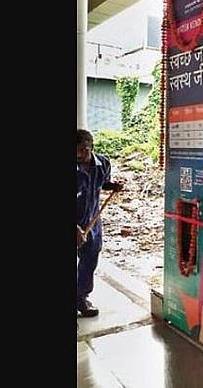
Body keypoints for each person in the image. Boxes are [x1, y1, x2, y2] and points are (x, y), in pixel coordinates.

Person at [77, 128, 124, 317]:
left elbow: (102, 183)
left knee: (89, 259)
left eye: (83, 150)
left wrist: (112, 186)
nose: (78, 154)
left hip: (92, 221)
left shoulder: (103, 163)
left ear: (91, 147)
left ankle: (80, 297)